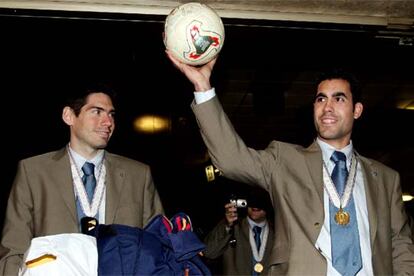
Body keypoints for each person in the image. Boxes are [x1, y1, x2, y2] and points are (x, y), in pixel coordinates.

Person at [166, 52, 414, 275]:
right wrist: (203, 86)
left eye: (338, 99)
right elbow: (231, 159)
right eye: (320, 99)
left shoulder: (386, 178)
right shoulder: (285, 161)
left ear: (357, 110)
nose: (327, 107)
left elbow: (401, 245)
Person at [0, 82, 164, 275]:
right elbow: (13, 249)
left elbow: (158, 246)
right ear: (69, 116)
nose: (108, 122)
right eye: (97, 112)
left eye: (111, 114)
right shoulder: (34, 172)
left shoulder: (138, 175)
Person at [203, 187, 274, 275]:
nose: (255, 205)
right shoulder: (233, 227)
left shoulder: (279, 231)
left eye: (261, 200)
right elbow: (209, 252)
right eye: (252, 199)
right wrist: (227, 225)